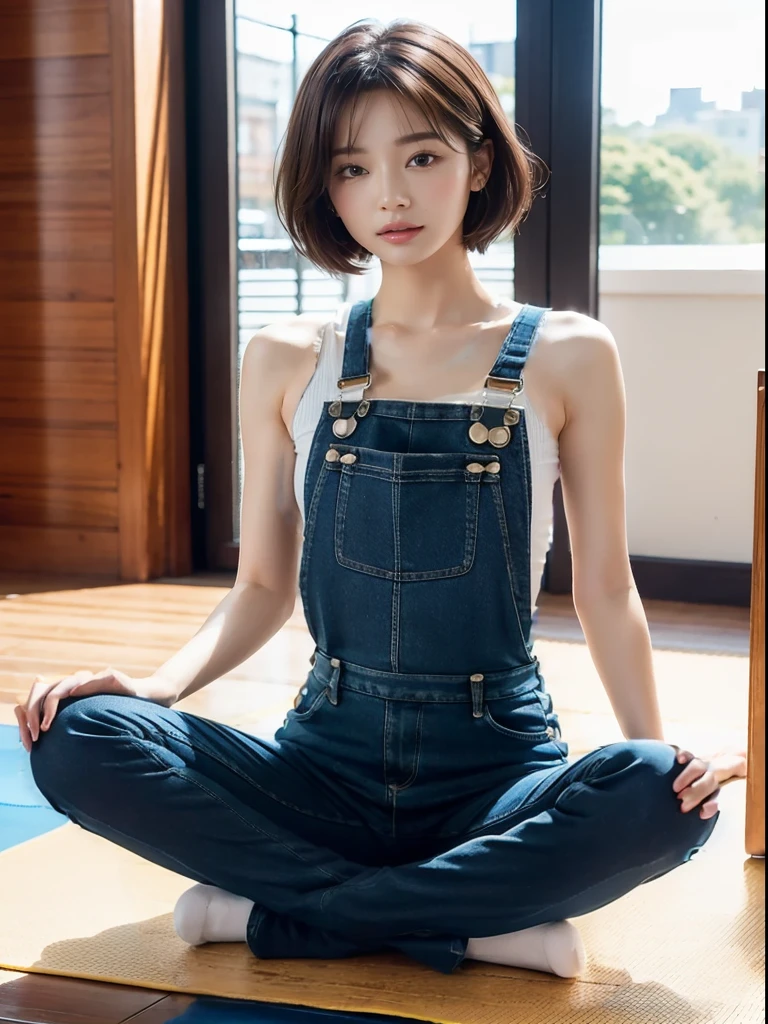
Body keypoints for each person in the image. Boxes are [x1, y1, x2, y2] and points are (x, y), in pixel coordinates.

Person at [17, 19, 746, 979]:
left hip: (496, 773)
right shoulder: (287, 358)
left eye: (423, 156)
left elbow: (607, 588)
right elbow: (264, 589)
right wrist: (156, 687)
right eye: (352, 169)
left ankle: (282, 913)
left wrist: (658, 758)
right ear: (326, 187)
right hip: (324, 762)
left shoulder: (570, 353)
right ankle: (467, 921)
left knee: (658, 794)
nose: (389, 195)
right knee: (76, 739)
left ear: (479, 164)